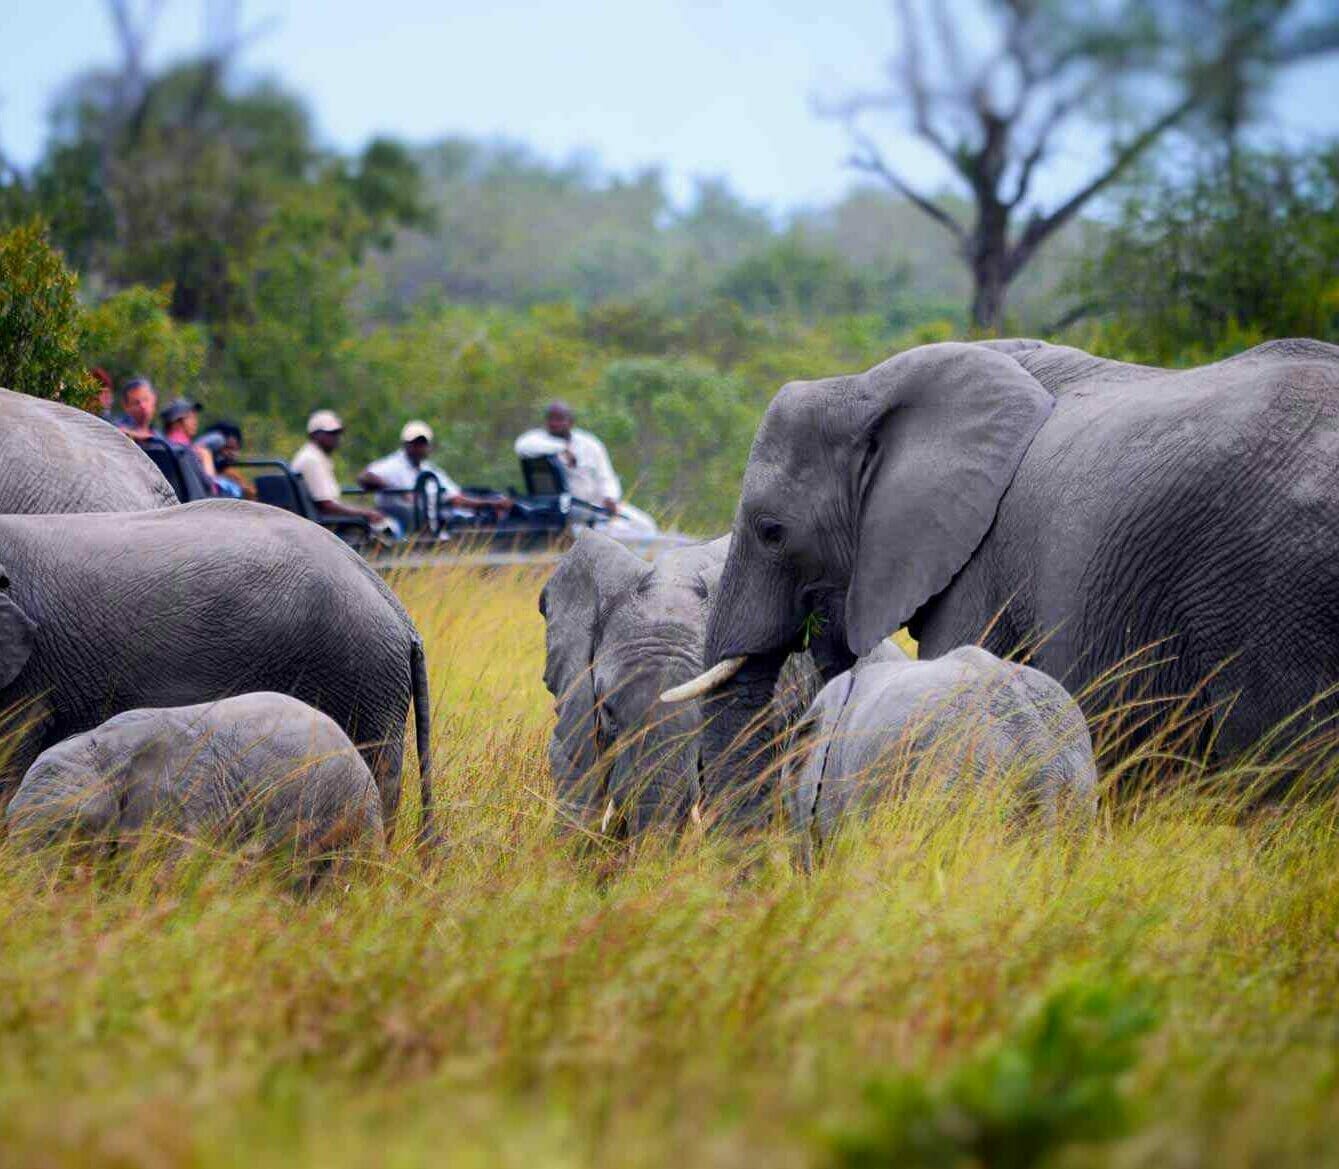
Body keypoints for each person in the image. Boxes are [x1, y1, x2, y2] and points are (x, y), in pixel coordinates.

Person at [514, 401, 656, 534]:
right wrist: (562, 448)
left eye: (559, 419)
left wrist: (610, 497)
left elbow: (606, 475)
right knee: (618, 531)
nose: (554, 423)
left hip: (599, 504)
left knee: (646, 525)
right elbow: (522, 446)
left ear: (570, 422)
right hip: (571, 509)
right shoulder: (539, 440)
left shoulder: (589, 443)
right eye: (551, 419)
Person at [357, 420, 511, 535]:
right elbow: (365, 477)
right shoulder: (392, 465)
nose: (418, 448)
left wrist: (490, 503)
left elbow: (456, 497)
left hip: (432, 523)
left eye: (422, 444)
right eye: (414, 443)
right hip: (404, 523)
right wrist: (398, 491)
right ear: (405, 444)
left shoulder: (430, 470)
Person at [291, 410, 396, 535]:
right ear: (315, 435)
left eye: (338, 433)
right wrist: (365, 513)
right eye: (331, 433)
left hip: (323, 521)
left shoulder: (315, 456)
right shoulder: (312, 460)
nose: (336, 438)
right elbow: (327, 506)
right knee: (387, 526)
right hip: (324, 526)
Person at [161, 397, 218, 480]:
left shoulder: (162, 446)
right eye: (191, 417)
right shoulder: (186, 452)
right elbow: (211, 487)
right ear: (176, 422)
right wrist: (207, 458)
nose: (195, 422)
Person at [198, 420, 255, 500]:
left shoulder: (232, 473)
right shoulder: (205, 473)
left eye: (236, 449)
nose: (232, 453)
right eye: (227, 448)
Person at [117, 377, 162, 441]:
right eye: (136, 403)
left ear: (154, 399)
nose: (142, 406)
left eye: (146, 400)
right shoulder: (117, 430)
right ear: (126, 406)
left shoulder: (159, 437)